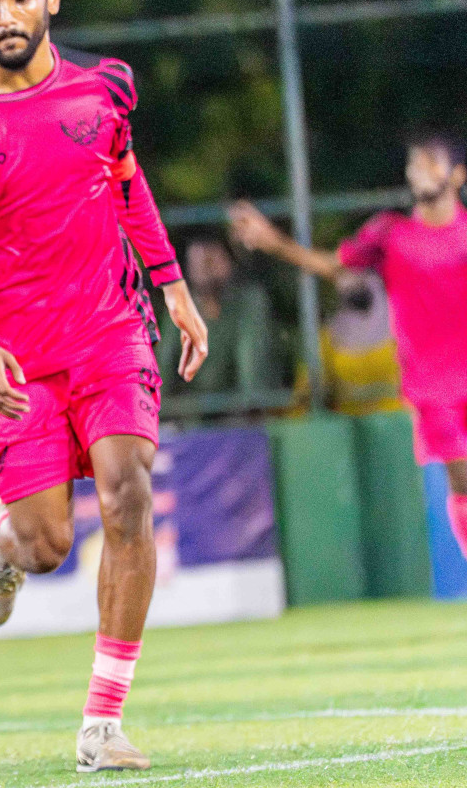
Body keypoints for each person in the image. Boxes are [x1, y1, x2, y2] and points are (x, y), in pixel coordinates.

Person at [0, 0, 208, 773]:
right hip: (16, 361)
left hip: (113, 332)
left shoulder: (106, 89)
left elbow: (126, 181)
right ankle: (4, 535)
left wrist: (172, 284)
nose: (7, 14)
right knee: (49, 547)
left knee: (128, 493)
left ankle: (102, 725)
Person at [229, 132, 467, 553]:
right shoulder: (390, 233)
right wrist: (275, 242)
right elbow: (334, 265)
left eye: (432, 162)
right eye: (415, 163)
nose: (420, 171)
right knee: (461, 481)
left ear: (458, 174)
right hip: (434, 392)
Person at [155, 236, 275, 399]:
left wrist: (251, 406)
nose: (206, 266)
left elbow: (251, 371)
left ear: (230, 261)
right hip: (193, 408)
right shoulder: (179, 307)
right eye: (198, 261)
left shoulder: (248, 301)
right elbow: (163, 369)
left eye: (212, 258)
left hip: (239, 408)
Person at [291, 272, 404, 416]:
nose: (356, 296)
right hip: (351, 424)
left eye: (361, 286)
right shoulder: (327, 339)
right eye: (348, 290)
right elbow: (304, 396)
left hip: (400, 422)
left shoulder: (404, 329)